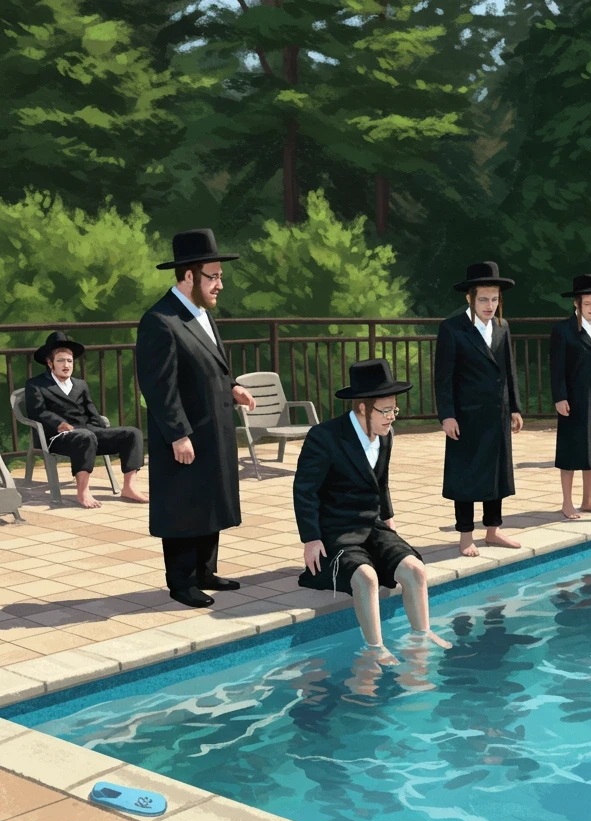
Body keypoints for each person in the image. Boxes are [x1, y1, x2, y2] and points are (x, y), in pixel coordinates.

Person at [293, 358, 451, 663]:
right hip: (336, 531)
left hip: (372, 524)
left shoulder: (385, 436)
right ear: (362, 408)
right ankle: (375, 649)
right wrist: (311, 539)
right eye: (386, 410)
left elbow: (382, 482)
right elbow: (305, 491)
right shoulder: (324, 438)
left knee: (415, 570)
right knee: (366, 577)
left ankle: (421, 634)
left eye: (395, 410)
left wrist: (388, 518)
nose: (392, 417)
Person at [135, 229, 256, 609]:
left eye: (220, 276)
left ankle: (205, 570)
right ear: (189, 276)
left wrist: (232, 386)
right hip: (186, 433)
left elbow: (209, 366)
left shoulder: (200, 314)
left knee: (210, 499)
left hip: (214, 427)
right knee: (184, 504)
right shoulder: (160, 320)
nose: (220, 284)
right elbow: (159, 386)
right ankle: (181, 582)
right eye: (214, 276)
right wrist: (177, 434)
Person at [434, 261, 523, 557]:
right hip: (466, 415)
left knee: (496, 473)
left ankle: (494, 530)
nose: (490, 305)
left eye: (495, 299)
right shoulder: (452, 328)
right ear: (469, 298)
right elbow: (443, 376)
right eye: (483, 299)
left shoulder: (502, 326)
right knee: (466, 474)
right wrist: (447, 414)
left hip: (497, 413)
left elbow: (509, 370)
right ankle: (465, 535)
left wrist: (515, 408)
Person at [24, 331, 147, 508]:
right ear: (50, 363)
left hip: (88, 431)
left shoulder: (80, 384)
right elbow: (38, 412)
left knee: (132, 433)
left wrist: (102, 429)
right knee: (86, 436)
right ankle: (83, 492)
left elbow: (91, 411)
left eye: (69, 361)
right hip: (56, 436)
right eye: (60, 360)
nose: (66, 365)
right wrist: (59, 423)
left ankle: (130, 487)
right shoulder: (36, 384)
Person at [550, 273, 591, 519]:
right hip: (574, 398)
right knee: (570, 450)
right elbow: (556, 367)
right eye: (587, 303)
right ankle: (567, 502)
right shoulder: (563, 330)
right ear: (576, 303)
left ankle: (588, 500)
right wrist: (560, 397)